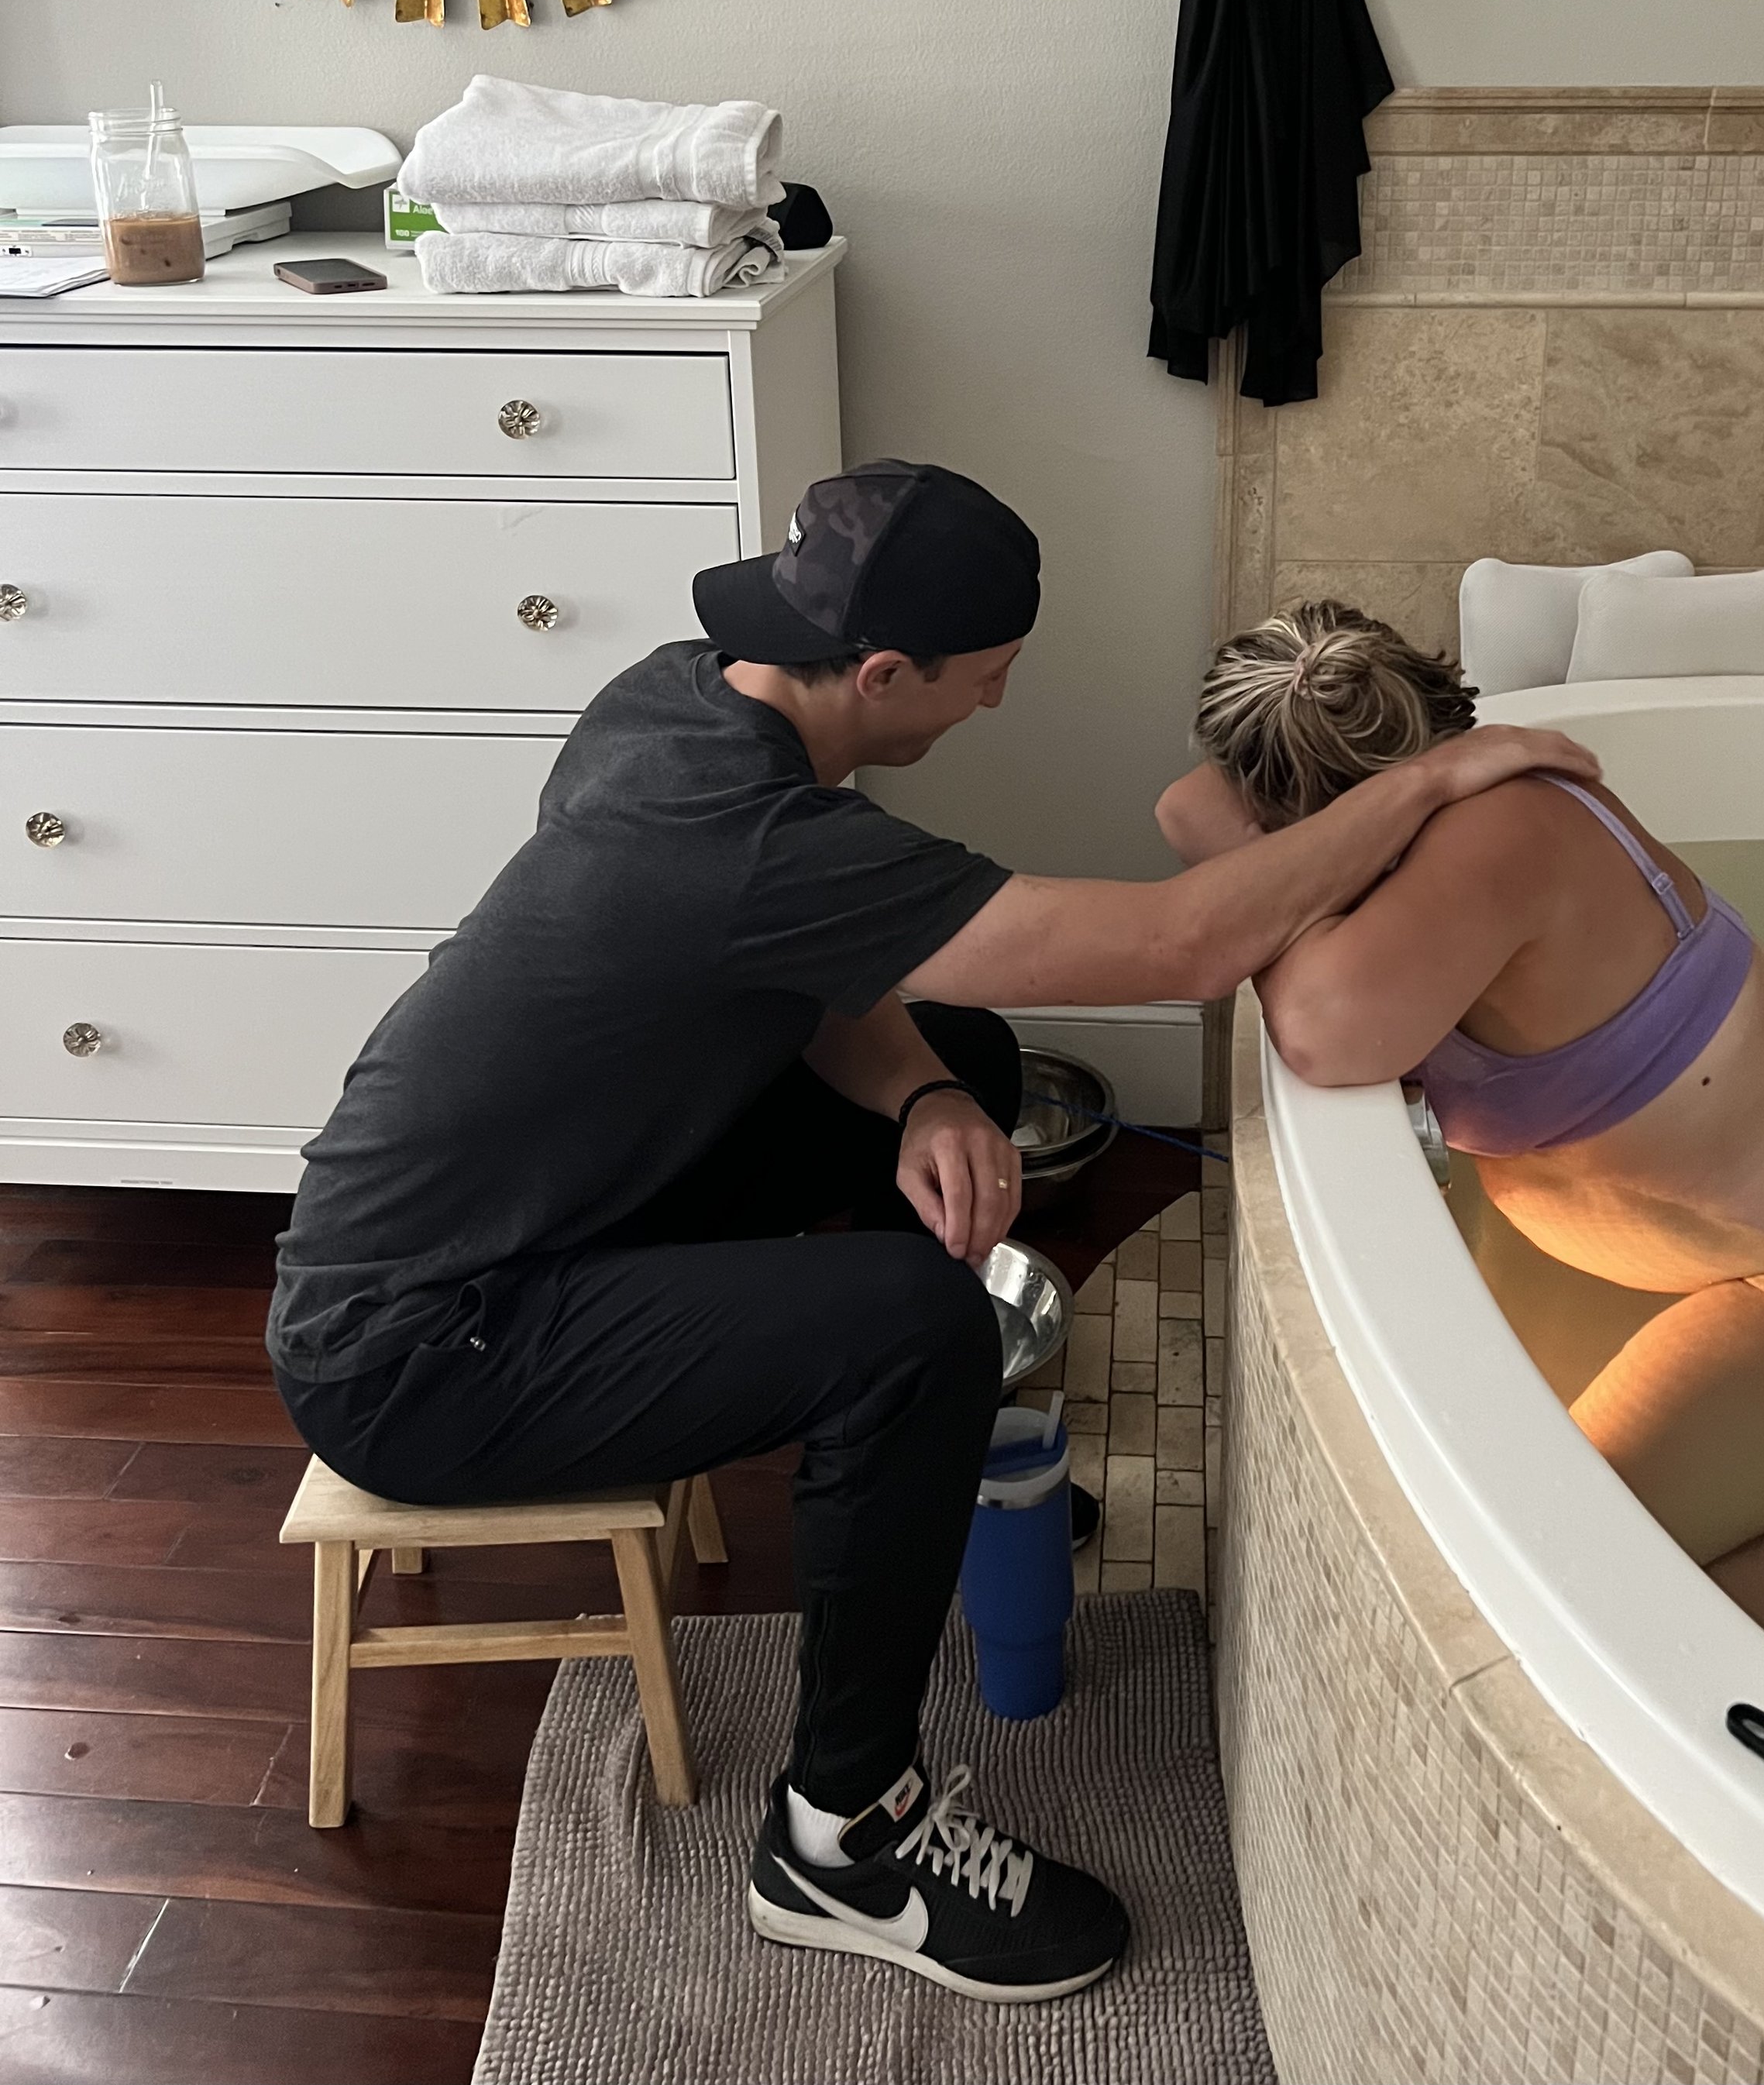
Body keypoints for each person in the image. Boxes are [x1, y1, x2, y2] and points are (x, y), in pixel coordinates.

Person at [268, 466, 1592, 2004]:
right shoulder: (746, 834)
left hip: (556, 1211)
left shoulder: (684, 697)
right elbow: (1184, 944)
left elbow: (805, 970)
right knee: (913, 1327)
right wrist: (1434, 782)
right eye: (985, 679)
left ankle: (906, 1460)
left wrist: (919, 1097)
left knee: (962, 1054)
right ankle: (839, 1839)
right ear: (886, 673)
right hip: (424, 1348)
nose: (995, 702)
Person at [1157, 600, 1764, 1690]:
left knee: (1594, 1585)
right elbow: (1189, 806)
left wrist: (1291, 872)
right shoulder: (1465, 815)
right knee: (1609, 1571)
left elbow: (1321, 1028)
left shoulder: (1502, 834)